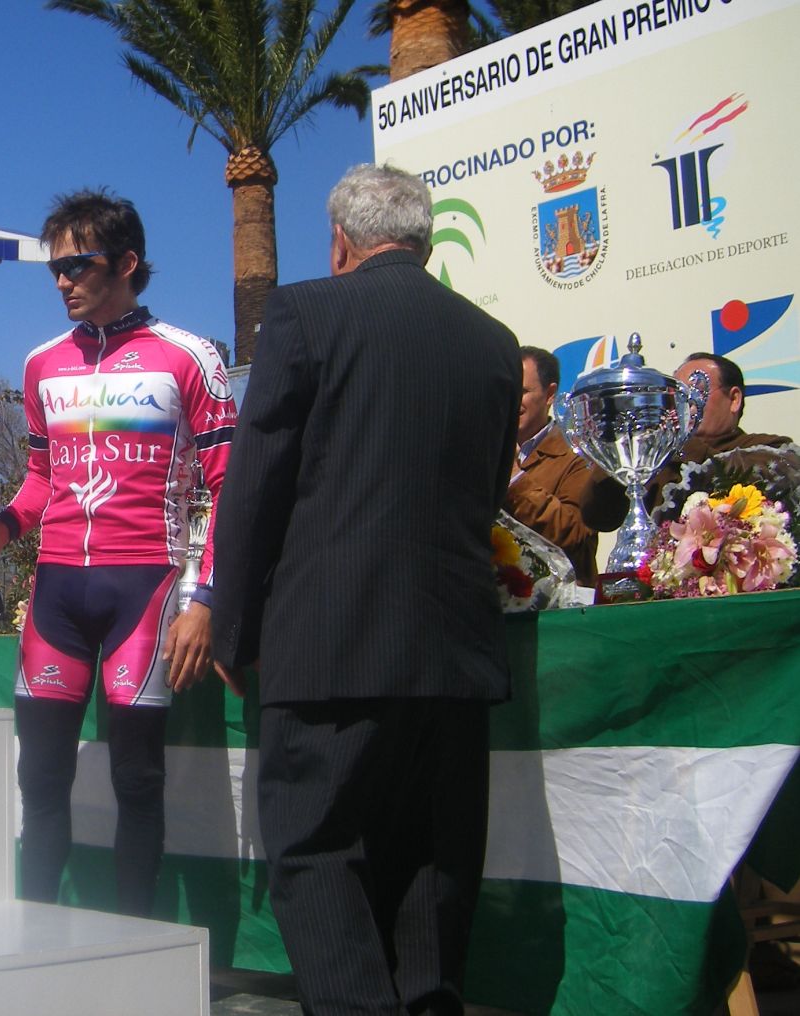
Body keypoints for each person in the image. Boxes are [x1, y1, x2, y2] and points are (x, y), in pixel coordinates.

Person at [210, 164, 521, 1016]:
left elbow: (256, 483)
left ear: (341, 243)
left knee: (316, 853)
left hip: (330, 644)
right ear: (425, 240)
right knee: (432, 861)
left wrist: (234, 625)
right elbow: (488, 490)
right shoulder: (494, 342)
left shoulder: (306, 313)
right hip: (454, 653)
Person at [0, 188, 235, 916]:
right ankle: (31, 940)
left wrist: (206, 599)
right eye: (54, 268)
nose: (61, 281)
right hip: (57, 593)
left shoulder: (190, 356)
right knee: (39, 783)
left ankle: (134, 949)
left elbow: (231, 488)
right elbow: (40, 482)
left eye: (76, 265)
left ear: (127, 262)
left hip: (144, 593)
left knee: (137, 783)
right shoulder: (42, 364)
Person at [580, 352, 794, 529]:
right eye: (675, 397)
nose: (683, 405)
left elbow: (741, 480)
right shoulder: (658, 458)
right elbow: (598, 517)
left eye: (696, 394)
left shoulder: (768, 448)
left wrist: (683, 443)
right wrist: (621, 447)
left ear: (734, 399)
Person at [503, 346, 600, 587]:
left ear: (550, 394)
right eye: (507, 390)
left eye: (523, 391)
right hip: (497, 597)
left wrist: (516, 478)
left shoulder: (578, 454)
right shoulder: (487, 449)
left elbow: (577, 533)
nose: (512, 400)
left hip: (559, 603)